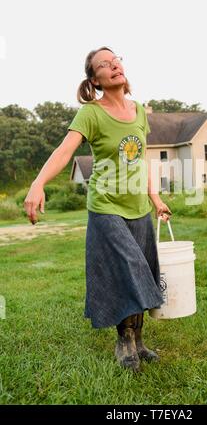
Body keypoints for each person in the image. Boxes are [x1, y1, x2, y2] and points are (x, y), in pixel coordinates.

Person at [24, 46, 172, 374]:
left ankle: (139, 340)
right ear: (96, 79)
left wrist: (155, 199)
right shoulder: (90, 113)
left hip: (137, 206)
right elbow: (65, 151)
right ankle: (124, 340)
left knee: (143, 269)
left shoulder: (138, 111)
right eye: (104, 64)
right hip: (106, 205)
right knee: (129, 267)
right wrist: (38, 183)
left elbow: (142, 160)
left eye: (115, 58)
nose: (114, 65)